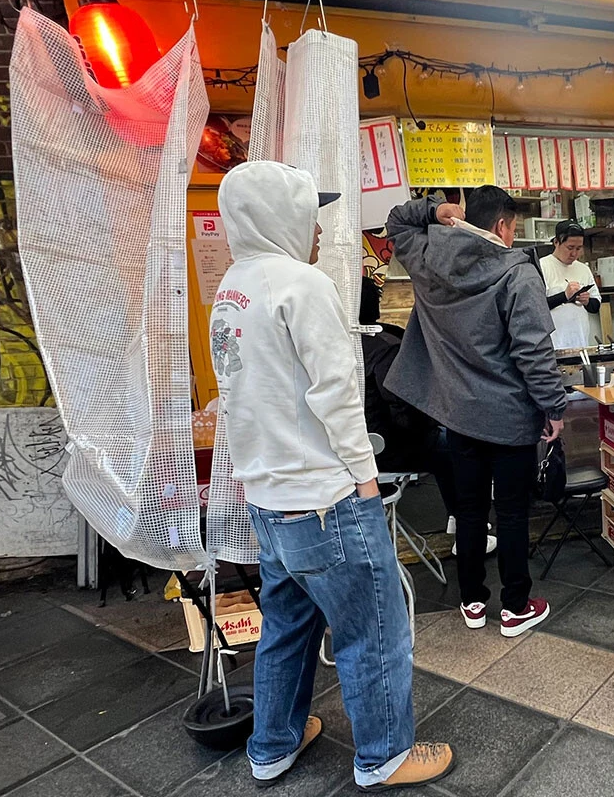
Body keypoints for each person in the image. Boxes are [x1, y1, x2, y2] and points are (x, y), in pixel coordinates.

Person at [210, 160, 452, 790]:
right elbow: (338, 394)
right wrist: (367, 484)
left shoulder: (232, 287)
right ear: (278, 216)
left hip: (268, 498)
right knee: (372, 630)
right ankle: (384, 756)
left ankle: (271, 747)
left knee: (286, 629)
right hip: (325, 496)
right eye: (308, 213)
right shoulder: (303, 284)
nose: (316, 227)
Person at [385, 185, 565, 637]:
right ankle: (515, 607)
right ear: (503, 226)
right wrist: (554, 408)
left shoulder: (428, 260)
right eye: (513, 227)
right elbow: (534, 353)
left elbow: (397, 222)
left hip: (456, 415)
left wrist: (434, 209)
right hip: (508, 419)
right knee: (511, 514)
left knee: (468, 512)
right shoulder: (519, 275)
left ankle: (471, 601)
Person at [357, 277, 496, 556]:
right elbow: (404, 407)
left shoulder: (337, 344)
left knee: (443, 440)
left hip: (356, 448)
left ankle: (458, 517)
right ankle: (471, 532)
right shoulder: (384, 346)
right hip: (385, 451)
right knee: (455, 442)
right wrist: (434, 419)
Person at [541, 220, 602, 350]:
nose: (574, 254)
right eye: (570, 248)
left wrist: (587, 301)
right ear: (556, 242)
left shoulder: (583, 269)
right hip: (552, 346)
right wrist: (565, 296)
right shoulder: (542, 266)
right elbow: (537, 307)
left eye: (578, 248)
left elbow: (595, 306)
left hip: (580, 343)